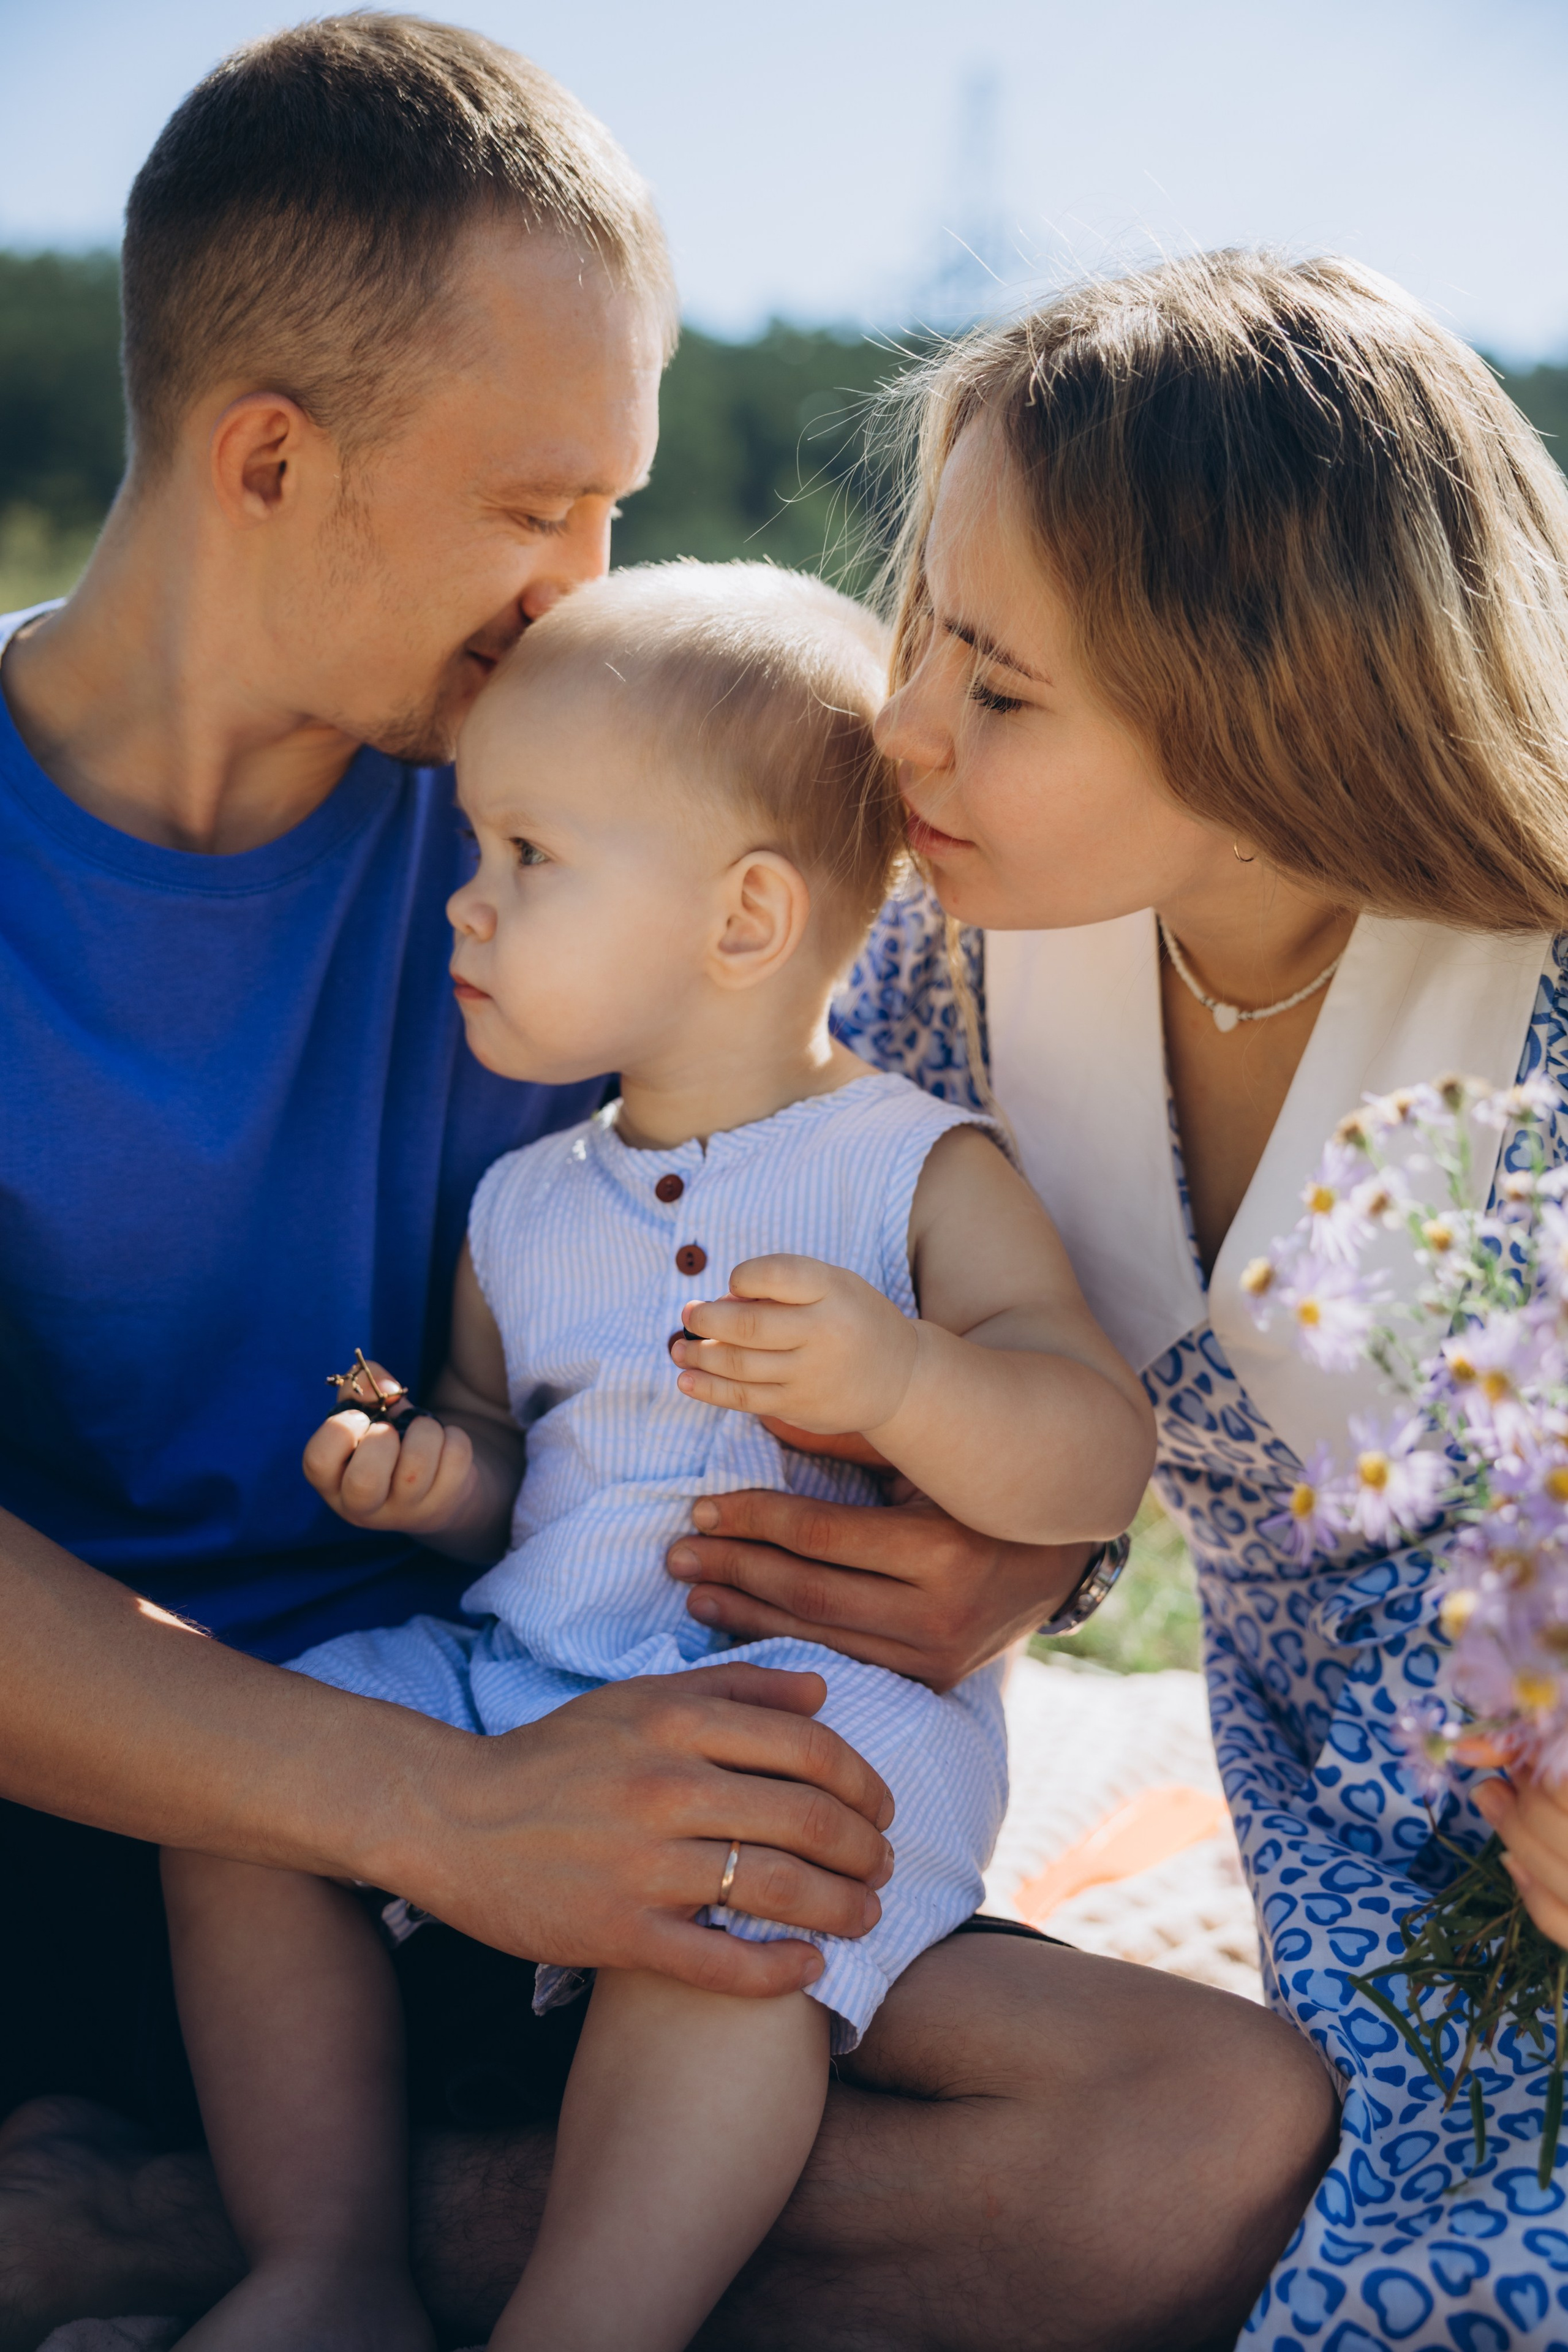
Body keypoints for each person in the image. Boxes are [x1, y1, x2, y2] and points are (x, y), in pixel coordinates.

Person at [0, 21, 1338, 2352]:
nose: (587, 588)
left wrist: (1009, 1559)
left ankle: (165, 2235)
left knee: (1186, 2150)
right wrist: (426, 1814)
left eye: (617, 505)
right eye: (541, 506)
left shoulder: (621, 810)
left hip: (607, 1779)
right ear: (271, 460)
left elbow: (942, 1268)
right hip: (148, 1818)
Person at [161, 562, 1155, 2352]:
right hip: (535, 1678)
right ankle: (324, 2263)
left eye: (528, 855)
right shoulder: (525, 1203)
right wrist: (436, 1479)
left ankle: (590, 2318)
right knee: (250, 1785)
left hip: (812, 1716)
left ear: (746, 915)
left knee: (745, 1903)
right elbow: (507, 1465)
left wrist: (909, 1380)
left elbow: (1094, 1455)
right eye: (478, 850)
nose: (465, 902)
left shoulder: (913, 1168)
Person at [823, 245, 1568, 2344]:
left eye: (997, 689)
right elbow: (912, 1329)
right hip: (1317, 1795)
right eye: (922, 635)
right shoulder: (958, 950)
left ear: (1280, 715)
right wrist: (1007, 1540)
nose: (903, 725)